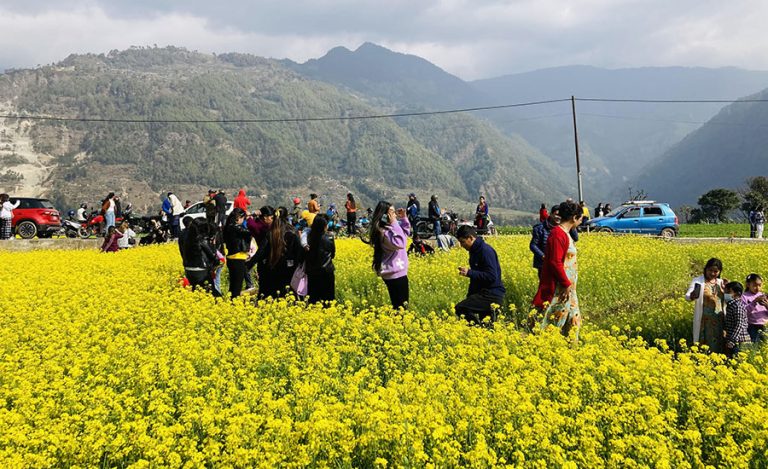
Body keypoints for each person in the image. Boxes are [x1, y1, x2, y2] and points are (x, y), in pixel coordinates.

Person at [533, 200, 583, 342]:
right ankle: (549, 346)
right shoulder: (557, 234)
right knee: (554, 321)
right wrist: (566, 283)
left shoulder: (566, 233)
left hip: (568, 287)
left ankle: (571, 348)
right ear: (574, 218)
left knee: (574, 319)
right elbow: (554, 262)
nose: (581, 221)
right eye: (580, 218)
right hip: (560, 288)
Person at [455, 225, 506, 326]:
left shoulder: (485, 251)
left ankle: (476, 329)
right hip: (483, 294)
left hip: (491, 295)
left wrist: (469, 273)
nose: (461, 245)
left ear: (470, 238)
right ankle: (478, 331)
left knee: (461, 308)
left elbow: (491, 276)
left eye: (463, 242)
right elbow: (476, 279)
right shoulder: (474, 251)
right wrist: (470, 296)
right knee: (487, 327)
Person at [370, 201, 411, 309]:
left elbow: (405, 235)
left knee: (400, 306)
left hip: (396, 271)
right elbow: (400, 243)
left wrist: (403, 219)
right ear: (384, 215)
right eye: (392, 212)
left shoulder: (389, 229)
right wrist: (394, 223)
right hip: (395, 273)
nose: (394, 215)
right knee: (401, 307)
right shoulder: (384, 232)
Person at [253, 214, 301, 299]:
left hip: (273, 268)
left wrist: (249, 265)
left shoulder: (271, 232)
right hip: (289, 268)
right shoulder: (293, 231)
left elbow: (261, 252)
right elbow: (298, 251)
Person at [685, 258, 727, 353]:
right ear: (705, 269)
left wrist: (727, 290)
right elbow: (687, 296)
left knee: (720, 344)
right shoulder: (698, 281)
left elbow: (729, 301)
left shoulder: (721, 283)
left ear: (720, 271)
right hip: (705, 320)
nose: (712, 273)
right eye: (710, 270)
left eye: (715, 271)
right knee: (704, 344)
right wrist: (692, 296)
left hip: (720, 320)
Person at [181, 219, 221, 297]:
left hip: (188, 271)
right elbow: (213, 257)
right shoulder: (201, 240)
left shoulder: (186, 239)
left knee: (197, 294)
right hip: (201, 270)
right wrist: (213, 245)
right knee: (213, 296)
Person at [305, 214, 336, 304]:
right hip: (327, 271)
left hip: (312, 272)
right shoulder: (329, 238)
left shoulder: (308, 238)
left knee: (314, 299)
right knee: (328, 299)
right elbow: (333, 254)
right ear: (324, 226)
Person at [223, 208, 252, 298]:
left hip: (232, 257)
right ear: (239, 217)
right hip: (237, 258)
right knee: (237, 285)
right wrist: (251, 220)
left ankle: (231, 301)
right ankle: (234, 301)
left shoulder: (228, 226)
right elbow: (249, 233)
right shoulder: (235, 227)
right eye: (243, 218)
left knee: (233, 284)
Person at [530, 205, 560, 279]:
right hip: (544, 264)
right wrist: (543, 256)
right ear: (551, 214)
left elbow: (575, 238)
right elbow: (533, 245)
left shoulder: (563, 228)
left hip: (559, 264)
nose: (558, 217)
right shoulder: (539, 228)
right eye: (556, 214)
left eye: (561, 215)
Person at [724, 281, 750, 358]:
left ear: (737, 294)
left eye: (729, 292)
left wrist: (732, 341)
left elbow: (739, 324)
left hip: (740, 342)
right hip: (735, 341)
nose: (726, 294)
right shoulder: (731, 305)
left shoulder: (737, 306)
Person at [743, 273, 768, 344]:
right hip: (752, 326)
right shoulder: (744, 296)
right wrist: (754, 302)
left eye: (759, 285)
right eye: (754, 285)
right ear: (748, 285)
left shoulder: (763, 296)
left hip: (765, 325)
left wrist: (767, 305)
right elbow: (744, 312)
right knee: (755, 346)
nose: (757, 288)